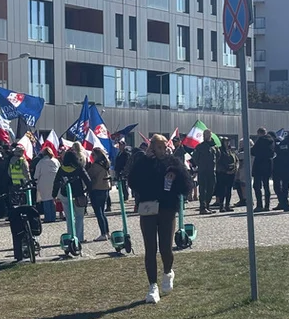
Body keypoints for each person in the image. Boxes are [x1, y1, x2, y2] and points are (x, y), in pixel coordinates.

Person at [128, 134, 193, 304]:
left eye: (164, 147)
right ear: (151, 148)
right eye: (158, 147)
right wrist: (144, 162)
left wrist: (176, 173)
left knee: (165, 247)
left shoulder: (173, 163)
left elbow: (186, 185)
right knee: (150, 248)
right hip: (148, 208)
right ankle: (152, 286)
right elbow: (132, 182)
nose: (161, 151)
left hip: (167, 208)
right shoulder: (143, 162)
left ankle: (168, 271)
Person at [52, 144, 90, 247]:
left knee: (69, 217)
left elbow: (56, 183)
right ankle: (79, 237)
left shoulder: (62, 169)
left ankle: (70, 236)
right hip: (78, 195)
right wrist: (86, 190)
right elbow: (88, 181)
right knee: (79, 217)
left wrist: (54, 195)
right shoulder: (79, 168)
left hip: (65, 195)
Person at [86, 145, 112, 240]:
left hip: (96, 189)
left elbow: (89, 175)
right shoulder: (106, 163)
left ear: (96, 155)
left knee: (98, 212)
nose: (92, 156)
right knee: (102, 212)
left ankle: (103, 233)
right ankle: (107, 232)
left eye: (93, 154)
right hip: (105, 189)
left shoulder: (96, 165)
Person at [191, 130, 218, 215]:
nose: (207, 136)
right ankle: (202, 207)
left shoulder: (214, 147)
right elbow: (195, 157)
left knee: (211, 188)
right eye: (205, 135)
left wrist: (213, 164)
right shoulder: (200, 147)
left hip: (211, 170)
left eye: (208, 134)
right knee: (203, 189)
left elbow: (218, 156)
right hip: (203, 170)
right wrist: (201, 164)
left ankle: (207, 206)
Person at [33, 146, 60, 223]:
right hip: (54, 183)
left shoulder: (41, 162)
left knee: (46, 200)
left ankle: (48, 217)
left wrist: (35, 181)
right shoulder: (56, 161)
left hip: (43, 183)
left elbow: (36, 175)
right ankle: (53, 216)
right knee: (53, 199)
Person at [251, 127, 275, 212]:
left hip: (259, 165)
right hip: (268, 164)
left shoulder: (260, 140)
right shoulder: (271, 141)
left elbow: (253, 151)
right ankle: (267, 205)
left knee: (257, 186)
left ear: (259, 133)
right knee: (266, 186)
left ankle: (259, 205)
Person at [214, 140, 239, 212]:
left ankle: (227, 205)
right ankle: (221, 206)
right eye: (225, 141)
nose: (227, 143)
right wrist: (225, 171)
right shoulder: (219, 151)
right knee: (222, 190)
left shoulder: (231, 151)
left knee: (229, 190)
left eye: (228, 141)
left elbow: (236, 160)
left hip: (231, 173)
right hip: (222, 173)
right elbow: (218, 162)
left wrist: (235, 168)